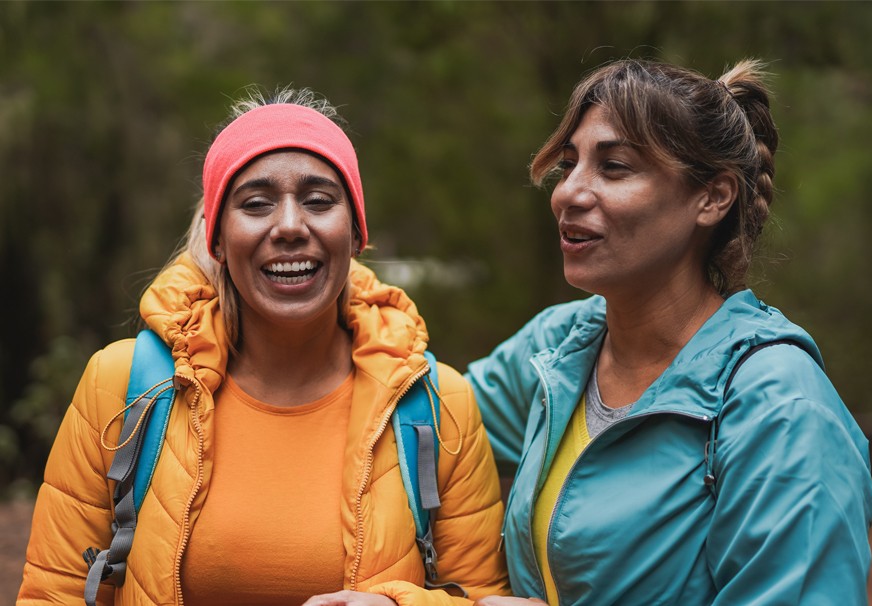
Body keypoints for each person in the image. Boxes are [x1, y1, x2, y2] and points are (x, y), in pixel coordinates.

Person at [18, 88, 508, 605]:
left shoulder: (437, 406)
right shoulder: (124, 387)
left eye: (320, 201)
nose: (291, 226)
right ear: (218, 242)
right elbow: (54, 593)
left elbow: (481, 597)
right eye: (255, 204)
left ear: (356, 233)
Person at [468, 59, 872, 606]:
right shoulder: (560, 347)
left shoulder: (780, 406)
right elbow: (417, 415)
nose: (569, 193)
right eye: (569, 165)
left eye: (613, 167)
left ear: (713, 197)